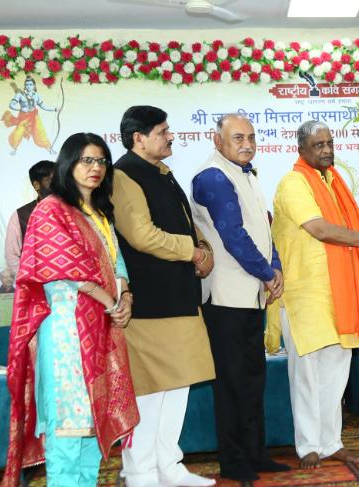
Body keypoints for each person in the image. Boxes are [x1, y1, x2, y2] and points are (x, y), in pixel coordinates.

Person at [265, 120, 359, 469]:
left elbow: (346, 236)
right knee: (307, 373)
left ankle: (330, 442)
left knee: (336, 372)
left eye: (329, 143)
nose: (326, 150)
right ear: (301, 149)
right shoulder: (293, 183)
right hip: (305, 292)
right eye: (318, 145)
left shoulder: (335, 183)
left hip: (340, 291)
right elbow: (320, 229)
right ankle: (308, 445)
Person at [3, 133, 137, 487]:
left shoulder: (99, 213)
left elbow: (117, 263)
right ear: (68, 163)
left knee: (92, 430)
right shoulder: (51, 210)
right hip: (66, 334)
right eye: (86, 160)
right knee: (67, 428)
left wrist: (125, 298)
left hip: (101, 330)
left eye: (102, 161)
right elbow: (66, 270)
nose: (96, 168)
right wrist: (111, 302)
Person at [112, 106, 216, 487]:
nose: (171, 136)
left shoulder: (163, 172)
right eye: (162, 131)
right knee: (149, 390)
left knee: (178, 384)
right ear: (138, 138)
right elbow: (141, 235)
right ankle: (139, 472)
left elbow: (186, 224)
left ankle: (169, 466)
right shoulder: (123, 175)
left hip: (179, 296)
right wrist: (192, 252)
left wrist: (205, 251)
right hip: (149, 302)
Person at [191, 114, 290, 485]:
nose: (247, 144)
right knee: (232, 384)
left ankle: (255, 453)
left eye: (251, 137)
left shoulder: (247, 173)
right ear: (217, 140)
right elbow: (232, 236)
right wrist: (267, 273)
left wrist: (274, 266)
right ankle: (234, 461)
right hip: (225, 298)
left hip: (250, 296)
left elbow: (263, 227)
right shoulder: (213, 177)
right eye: (237, 138)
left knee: (252, 380)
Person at [4, 160, 55, 272]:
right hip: (34, 281)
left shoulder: (72, 211)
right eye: (52, 180)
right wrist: (28, 278)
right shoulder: (20, 216)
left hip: (72, 281)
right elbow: (12, 256)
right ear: (37, 185)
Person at [2, 76, 56, 154]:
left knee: (40, 132)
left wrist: (54, 109)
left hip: (34, 116)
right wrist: (20, 109)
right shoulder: (20, 95)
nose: (28, 86)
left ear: (34, 85)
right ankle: (14, 148)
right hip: (24, 117)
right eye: (27, 84)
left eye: (30, 84)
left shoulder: (36, 96)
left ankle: (49, 148)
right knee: (18, 132)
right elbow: (11, 105)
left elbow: (43, 106)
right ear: (25, 86)